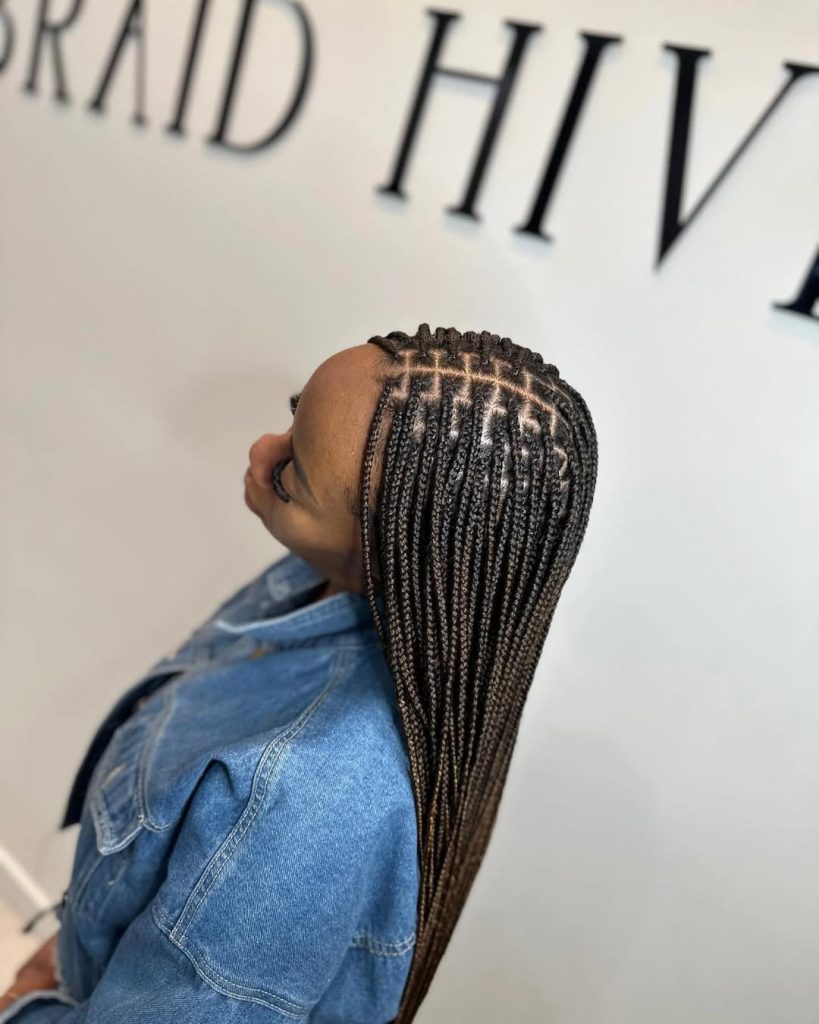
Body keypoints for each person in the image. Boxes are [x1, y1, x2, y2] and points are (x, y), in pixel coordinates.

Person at [1, 324, 598, 1023]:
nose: (261, 451)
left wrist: (25, 1004)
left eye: (291, 477)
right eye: (293, 415)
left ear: (386, 553)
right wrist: (73, 943)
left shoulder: (298, 797)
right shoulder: (319, 582)